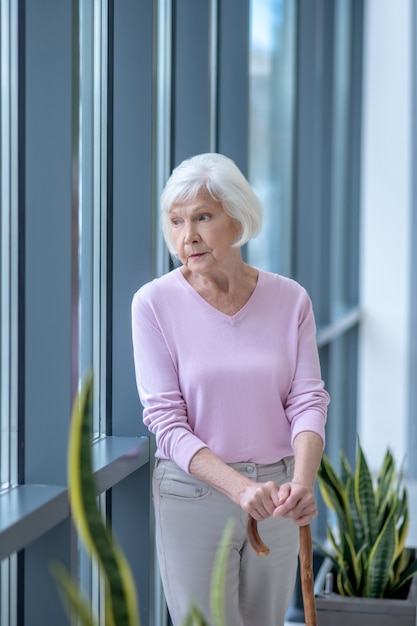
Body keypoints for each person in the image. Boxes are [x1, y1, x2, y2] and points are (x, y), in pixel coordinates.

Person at [131, 153, 330, 626]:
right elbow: (166, 423)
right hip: (193, 496)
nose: (188, 236)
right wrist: (240, 489)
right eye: (176, 221)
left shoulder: (290, 299)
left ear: (237, 216)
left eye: (203, 216)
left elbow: (308, 400)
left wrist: (301, 484)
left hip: (279, 492)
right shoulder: (153, 304)